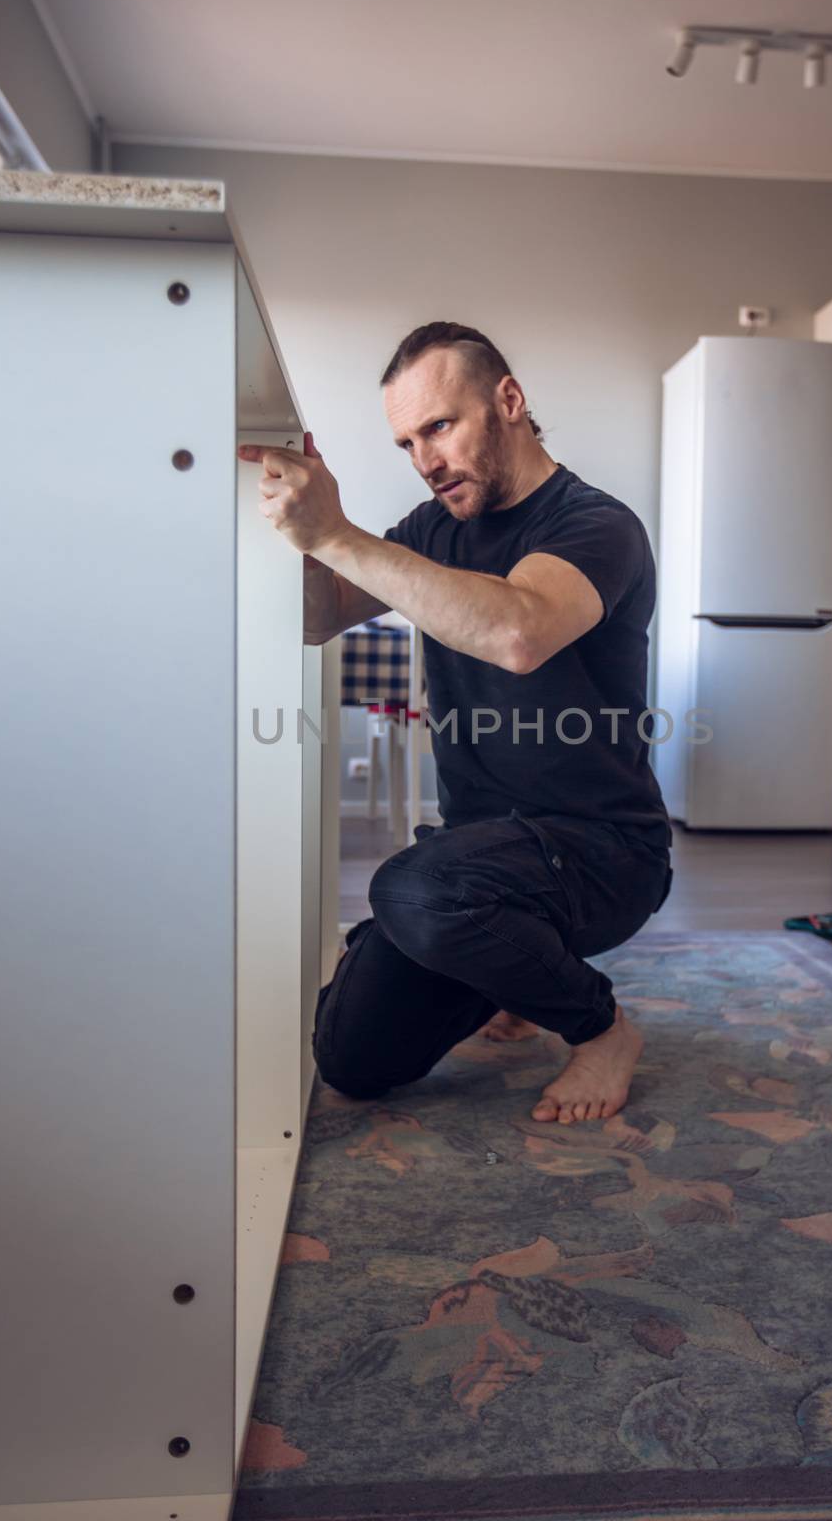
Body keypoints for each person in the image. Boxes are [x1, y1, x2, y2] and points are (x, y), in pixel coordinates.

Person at [237, 322, 673, 1125]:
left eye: (438, 426)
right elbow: (319, 618)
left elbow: (519, 630)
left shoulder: (594, 524)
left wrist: (338, 533)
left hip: (602, 852)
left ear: (507, 400)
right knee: (350, 1061)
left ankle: (601, 1028)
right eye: (406, 441)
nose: (424, 461)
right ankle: (506, 971)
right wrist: (297, 538)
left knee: (415, 888)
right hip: (483, 854)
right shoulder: (433, 528)